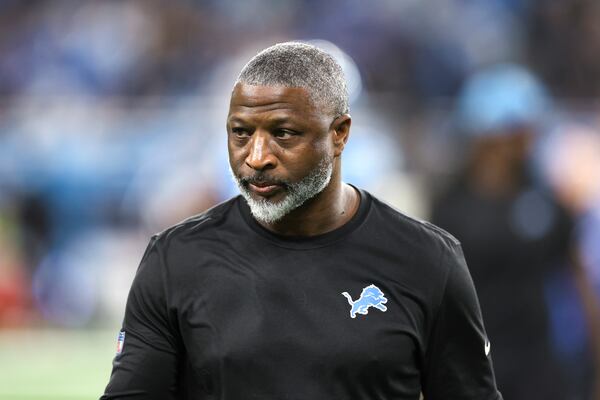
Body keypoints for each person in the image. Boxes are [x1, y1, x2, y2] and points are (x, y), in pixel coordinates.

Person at [101, 42, 502, 400]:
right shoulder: (175, 260)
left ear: (340, 134)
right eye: (240, 133)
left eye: (284, 133)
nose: (256, 156)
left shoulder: (428, 260)